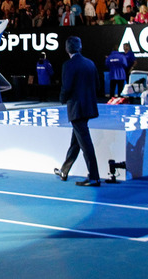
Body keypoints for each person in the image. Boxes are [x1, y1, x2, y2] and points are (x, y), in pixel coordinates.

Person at [53, 36, 102, 186]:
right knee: (76, 141)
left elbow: (66, 87)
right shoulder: (90, 63)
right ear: (80, 47)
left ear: (67, 49)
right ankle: (64, 170)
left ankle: (94, 177)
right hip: (88, 108)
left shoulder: (68, 65)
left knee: (85, 144)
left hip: (76, 108)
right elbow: (98, 85)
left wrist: (62, 99)